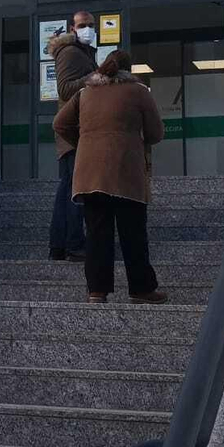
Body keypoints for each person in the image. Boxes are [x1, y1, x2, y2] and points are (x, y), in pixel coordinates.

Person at [52, 49, 166, 304]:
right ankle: (141, 289)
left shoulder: (85, 93)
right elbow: (156, 133)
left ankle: (97, 291)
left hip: (90, 175)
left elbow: (59, 123)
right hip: (126, 171)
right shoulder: (138, 91)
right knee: (133, 233)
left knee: (96, 233)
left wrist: (82, 143)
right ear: (130, 69)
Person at [47, 10, 98, 260]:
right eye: (82, 25)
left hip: (78, 131)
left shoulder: (84, 52)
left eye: (90, 24)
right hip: (73, 132)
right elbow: (65, 89)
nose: (87, 28)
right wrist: (94, 78)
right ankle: (74, 244)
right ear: (72, 27)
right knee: (75, 190)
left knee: (69, 188)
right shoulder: (69, 52)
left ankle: (60, 245)